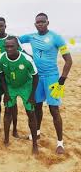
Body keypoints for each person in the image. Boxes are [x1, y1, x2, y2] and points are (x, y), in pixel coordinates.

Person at [19, 13, 72, 154]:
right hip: (37, 77)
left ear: (48, 22)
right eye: (37, 22)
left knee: (54, 110)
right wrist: (27, 54)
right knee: (37, 107)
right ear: (35, 24)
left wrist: (62, 80)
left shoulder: (56, 37)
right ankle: (36, 132)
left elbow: (69, 60)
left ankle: (60, 143)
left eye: (42, 21)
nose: (40, 24)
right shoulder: (31, 37)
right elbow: (14, 40)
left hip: (52, 78)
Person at [0, 36, 39, 154]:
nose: (9, 48)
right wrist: (6, 93)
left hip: (26, 86)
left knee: (31, 114)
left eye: (12, 46)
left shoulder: (26, 59)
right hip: (11, 86)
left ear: (17, 47)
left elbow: (36, 76)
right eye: (7, 46)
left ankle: (35, 144)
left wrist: (32, 95)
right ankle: (6, 139)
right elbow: (1, 75)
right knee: (7, 111)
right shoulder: (1, 59)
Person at [0, 17, 23, 137]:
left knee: (11, 103)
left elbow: (21, 53)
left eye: (1, 26)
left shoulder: (11, 39)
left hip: (10, 75)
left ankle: (15, 128)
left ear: (5, 26)